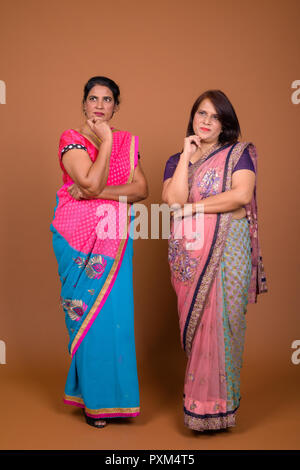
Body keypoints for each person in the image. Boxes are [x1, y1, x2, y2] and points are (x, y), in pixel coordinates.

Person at [162, 90, 267, 432]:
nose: (206, 121)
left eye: (214, 116)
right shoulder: (176, 160)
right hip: (189, 256)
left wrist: (193, 207)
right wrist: (187, 158)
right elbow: (172, 200)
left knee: (226, 323)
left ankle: (220, 409)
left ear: (225, 124)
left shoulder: (238, 154)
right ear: (192, 118)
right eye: (201, 114)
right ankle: (199, 408)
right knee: (197, 326)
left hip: (228, 251)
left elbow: (241, 195)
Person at [50, 76, 148, 428]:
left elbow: (141, 189)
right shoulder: (71, 138)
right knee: (87, 320)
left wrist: (97, 191)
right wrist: (104, 142)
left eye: (108, 100)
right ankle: (93, 402)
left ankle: (116, 401)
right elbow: (87, 181)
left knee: (114, 318)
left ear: (115, 106)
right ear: (84, 103)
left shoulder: (126, 141)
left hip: (114, 237)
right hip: (76, 238)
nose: (100, 105)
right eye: (93, 98)